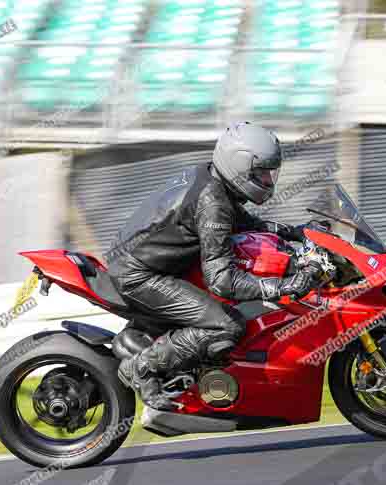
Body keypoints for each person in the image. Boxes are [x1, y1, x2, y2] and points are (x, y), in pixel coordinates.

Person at [108, 122, 323, 411]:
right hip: (141, 276)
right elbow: (222, 281)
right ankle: (141, 368)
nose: (269, 181)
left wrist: (292, 232)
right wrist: (283, 287)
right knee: (226, 325)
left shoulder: (212, 180)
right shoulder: (213, 202)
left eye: (270, 173)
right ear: (239, 166)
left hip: (151, 263)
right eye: (261, 173)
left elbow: (243, 221)